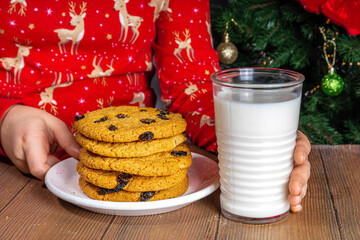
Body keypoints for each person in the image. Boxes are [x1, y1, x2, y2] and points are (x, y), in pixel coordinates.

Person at [0, 0, 310, 212]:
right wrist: (5, 117)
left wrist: (258, 142)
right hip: (15, 186)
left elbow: (192, 82)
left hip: (153, 190)